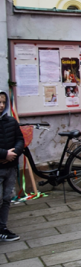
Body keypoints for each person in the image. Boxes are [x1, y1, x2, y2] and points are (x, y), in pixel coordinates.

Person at [0, 91, 23, 242]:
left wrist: (14, 153)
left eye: (3, 102)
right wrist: (3, 154)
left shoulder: (11, 121)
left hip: (11, 166)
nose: (1, 105)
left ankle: (2, 228)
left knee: (7, 198)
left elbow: (20, 139)